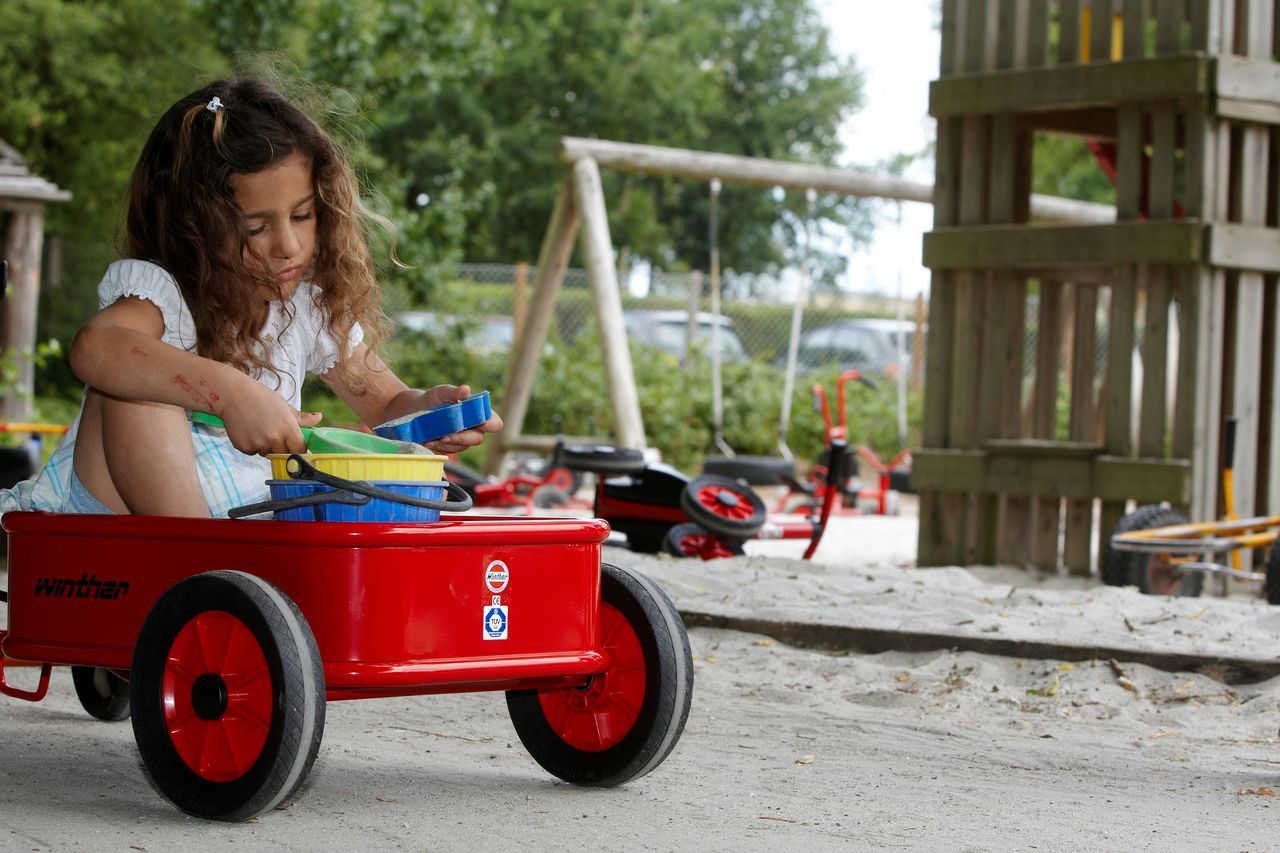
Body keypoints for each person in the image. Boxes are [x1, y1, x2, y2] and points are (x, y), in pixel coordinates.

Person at [10, 77, 501, 518]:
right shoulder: (166, 295)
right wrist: (227, 392)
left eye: (303, 216)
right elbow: (96, 348)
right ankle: (200, 562)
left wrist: (425, 414)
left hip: (243, 526)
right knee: (131, 386)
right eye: (256, 227)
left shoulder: (306, 307)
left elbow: (388, 402)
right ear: (194, 230)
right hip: (119, 529)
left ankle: (221, 566)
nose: (287, 245)